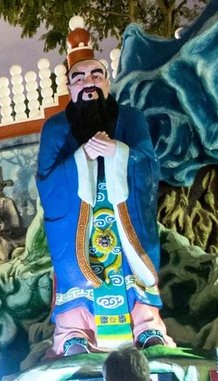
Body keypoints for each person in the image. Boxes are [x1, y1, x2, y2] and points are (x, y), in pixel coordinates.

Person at [36, 18, 175, 356]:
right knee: (76, 273)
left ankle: (146, 326)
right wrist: (81, 158)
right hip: (77, 218)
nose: (88, 83)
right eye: (79, 78)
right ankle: (74, 331)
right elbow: (46, 179)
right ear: (69, 88)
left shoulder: (130, 118)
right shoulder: (55, 127)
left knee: (132, 266)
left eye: (96, 76)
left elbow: (148, 162)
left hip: (122, 211)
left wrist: (118, 152)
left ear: (108, 83)